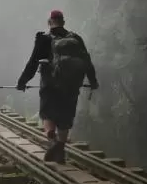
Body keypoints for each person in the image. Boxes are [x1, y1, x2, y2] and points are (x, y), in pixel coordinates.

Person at [16, 9, 98, 163]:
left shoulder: (44, 39)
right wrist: (93, 82)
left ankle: (52, 141)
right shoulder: (76, 38)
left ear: (49, 22)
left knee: (48, 114)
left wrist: (22, 82)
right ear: (63, 22)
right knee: (65, 117)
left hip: (50, 86)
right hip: (72, 86)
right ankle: (60, 147)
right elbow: (87, 62)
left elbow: (33, 63)